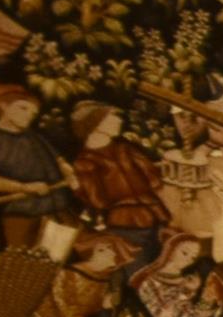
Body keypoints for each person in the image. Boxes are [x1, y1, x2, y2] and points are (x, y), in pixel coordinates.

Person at [0, 87, 74, 244]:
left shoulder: (34, 137)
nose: (29, 115)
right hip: (22, 216)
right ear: (3, 105)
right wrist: (24, 187)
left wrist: (68, 171)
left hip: (58, 210)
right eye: (23, 108)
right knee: (24, 258)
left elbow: (59, 160)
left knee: (63, 255)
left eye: (33, 113)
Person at [65, 102, 170, 261]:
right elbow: (99, 202)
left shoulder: (125, 149)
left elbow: (155, 180)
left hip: (157, 218)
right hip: (124, 224)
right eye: (112, 117)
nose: (119, 120)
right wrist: (79, 187)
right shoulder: (85, 162)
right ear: (95, 123)